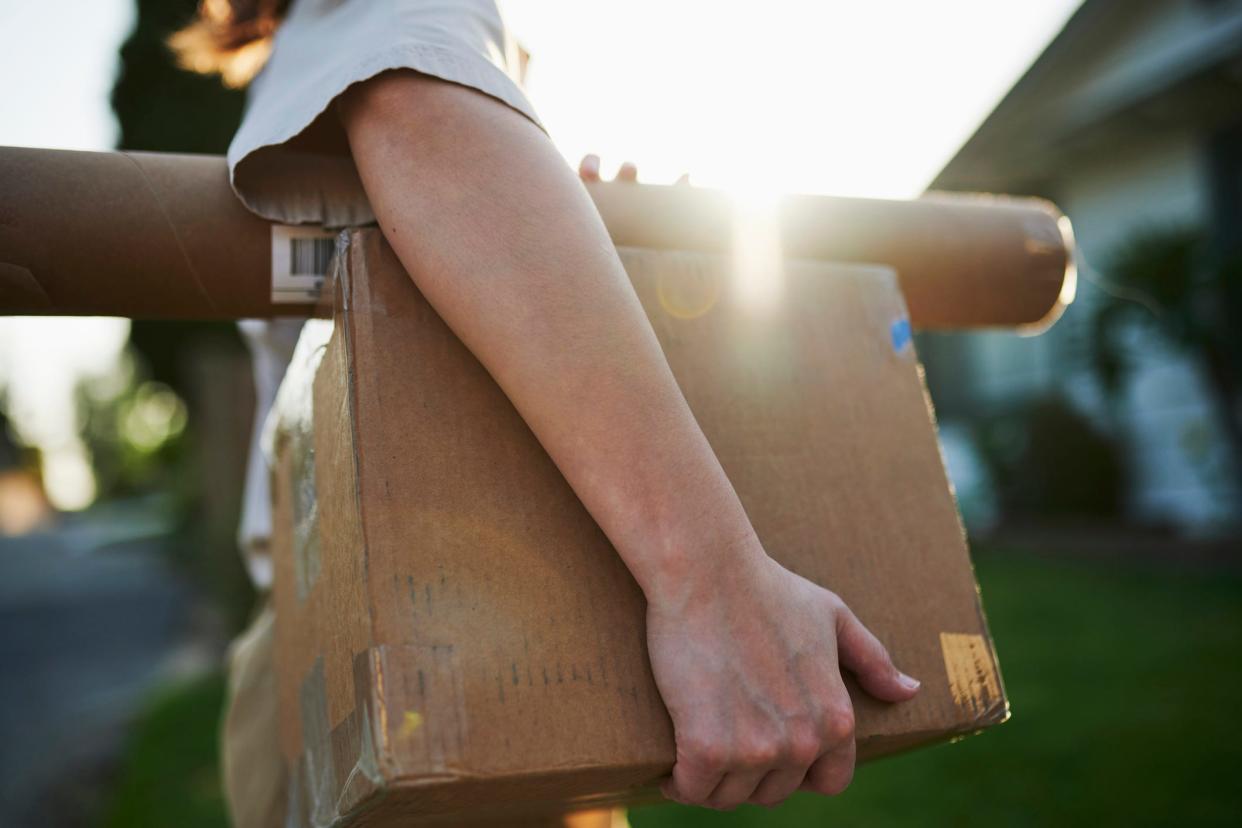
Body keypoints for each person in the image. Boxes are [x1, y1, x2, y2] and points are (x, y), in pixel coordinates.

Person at [175, 1, 921, 825]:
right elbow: (414, 100)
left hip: (451, 626)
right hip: (413, 647)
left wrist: (578, 248)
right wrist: (714, 584)